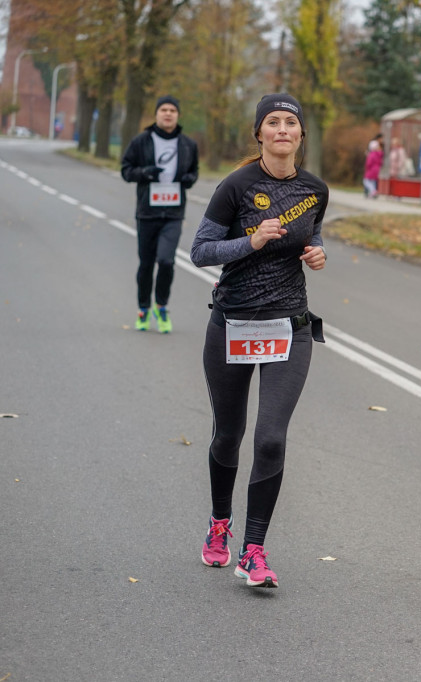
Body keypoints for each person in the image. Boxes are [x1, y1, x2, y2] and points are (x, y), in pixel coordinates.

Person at [190, 93, 328, 589]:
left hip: (289, 328)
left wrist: (316, 253)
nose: (283, 129)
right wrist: (251, 240)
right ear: (260, 133)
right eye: (273, 122)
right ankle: (219, 522)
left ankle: (254, 549)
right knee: (229, 434)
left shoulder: (316, 189)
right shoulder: (236, 186)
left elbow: (311, 237)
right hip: (234, 326)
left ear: (300, 134)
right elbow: (200, 251)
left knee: (270, 438)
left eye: (291, 122)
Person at [121, 95, 199, 333]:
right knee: (146, 264)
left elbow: (194, 171)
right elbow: (126, 171)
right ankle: (143, 308)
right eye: (163, 109)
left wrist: (188, 179)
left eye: (172, 110)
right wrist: (145, 172)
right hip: (147, 212)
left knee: (166, 261)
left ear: (178, 115)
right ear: (156, 114)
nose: (168, 114)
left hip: (174, 213)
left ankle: (161, 307)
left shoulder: (188, 144)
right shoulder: (141, 141)